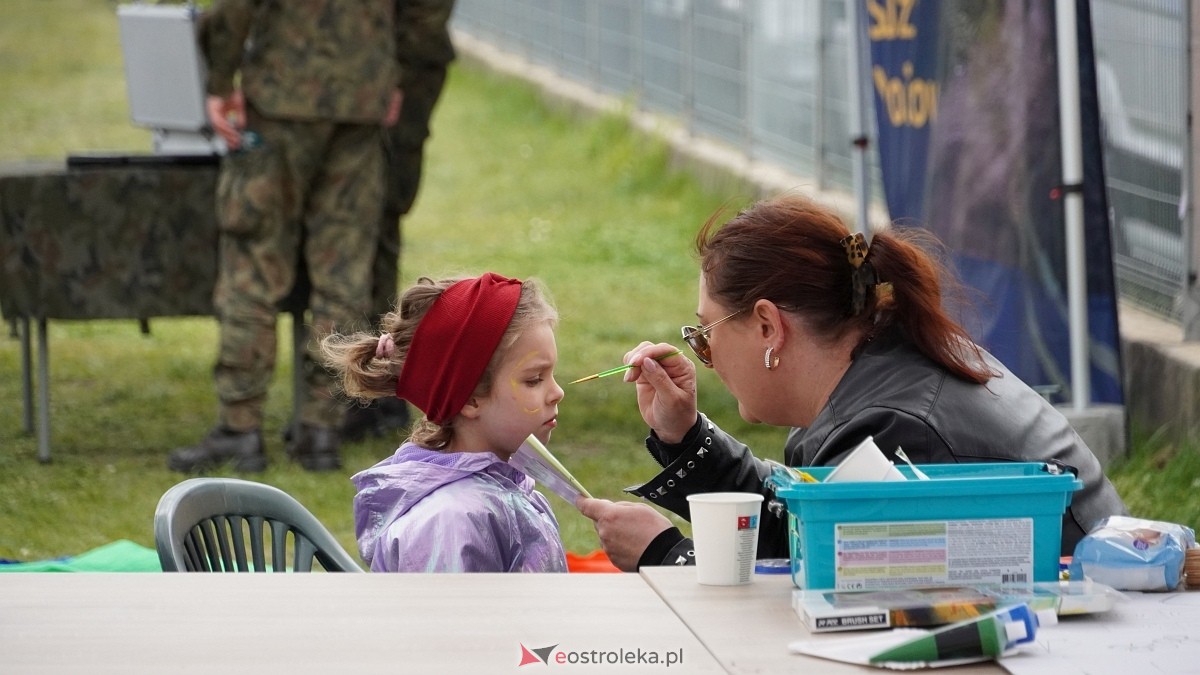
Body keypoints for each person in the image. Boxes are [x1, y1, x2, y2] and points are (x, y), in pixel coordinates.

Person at [576, 194, 1129, 571]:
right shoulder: (885, 366)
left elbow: (817, 591)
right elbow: (801, 518)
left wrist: (667, 555)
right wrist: (686, 435)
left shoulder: (893, 427)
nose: (706, 354)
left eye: (707, 332)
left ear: (768, 326)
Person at [168, 0, 404, 473]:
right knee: (343, 272)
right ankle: (322, 427)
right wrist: (391, 78)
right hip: (361, 97)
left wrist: (219, 83)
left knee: (253, 262)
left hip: (282, 95)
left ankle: (240, 427)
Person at [321, 272, 569, 572]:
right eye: (534, 380)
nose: (557, 392)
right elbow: (445, 619)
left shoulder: (511, 487)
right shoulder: (449, 523)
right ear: (469, 399)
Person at [344, 0, 460, 442]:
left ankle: (380, 382)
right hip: (353, 78)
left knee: (378, 225)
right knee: (353, 236)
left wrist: (387, 79)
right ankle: (366, 381)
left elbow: (425, 19)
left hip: (400, 77)